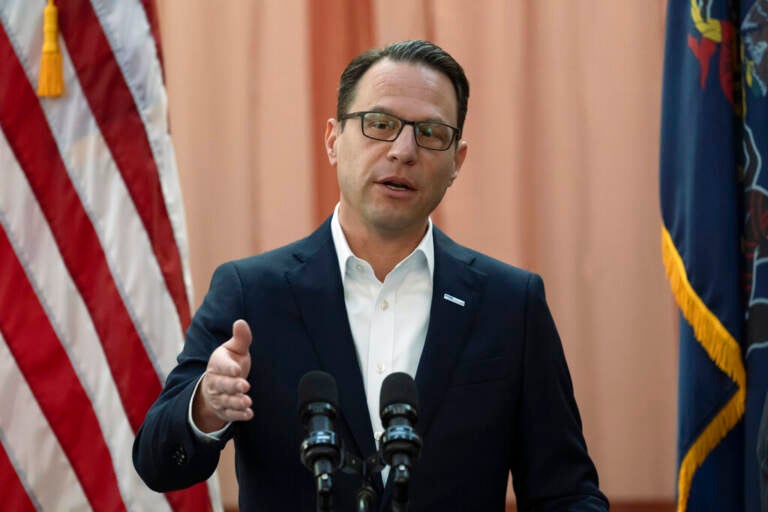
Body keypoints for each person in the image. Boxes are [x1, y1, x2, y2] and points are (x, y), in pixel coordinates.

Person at [133, 40, 608, 511]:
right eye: (380, 124)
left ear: (457, 162)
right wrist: (205, 407)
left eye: (430, 133)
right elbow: (159, 464)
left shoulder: (510, 304)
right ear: (333, 139)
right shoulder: (252, 293)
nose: (403, 151)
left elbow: (565, 493)